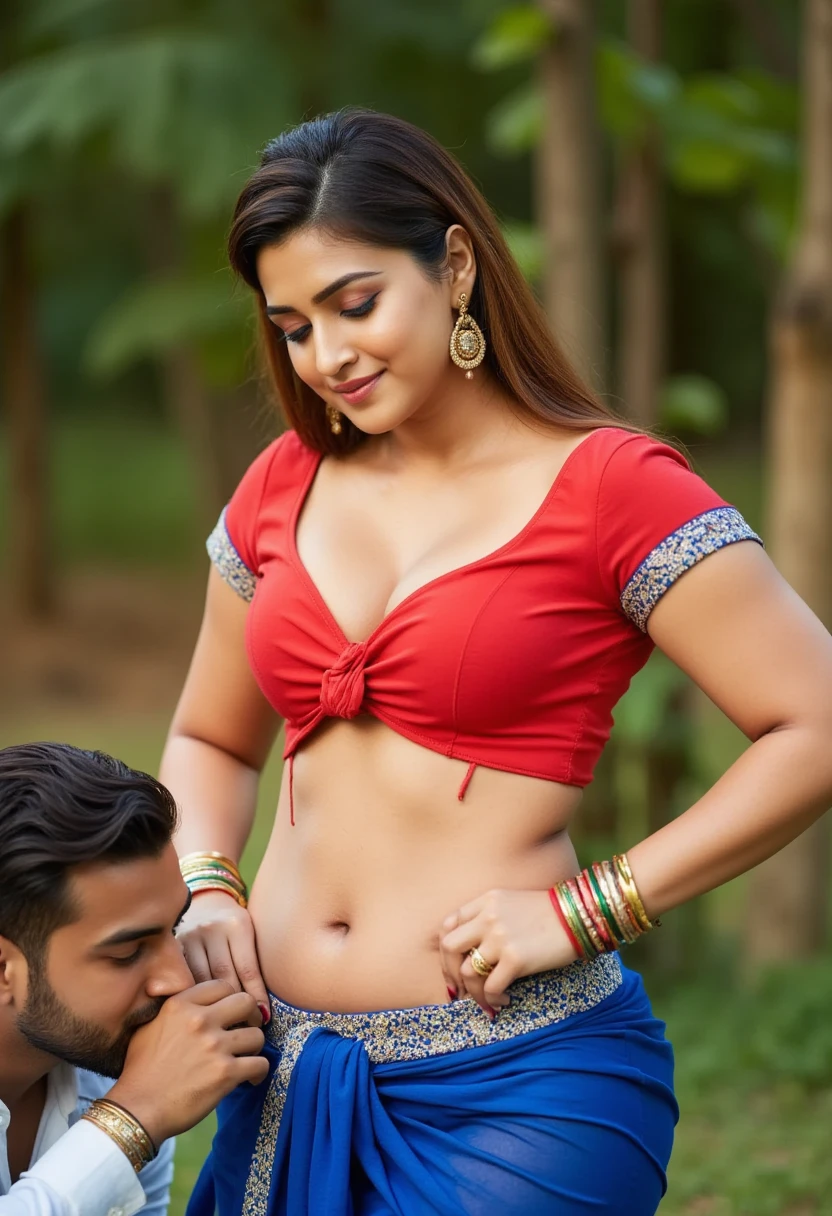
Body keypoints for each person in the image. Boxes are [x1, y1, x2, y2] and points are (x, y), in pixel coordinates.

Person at [164, 109, 832, 1216]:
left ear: (457, 263)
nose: (327, 355)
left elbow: (813, 718)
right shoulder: (282, 482)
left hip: (519, 1092)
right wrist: (202, 886)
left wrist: (589, 906)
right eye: (291, 326)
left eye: (356, 303)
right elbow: (207, 737)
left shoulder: (613, 486)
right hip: (284, 1078)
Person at [0, 742, 269, 1216]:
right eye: (126, 953)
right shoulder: (135, 1098)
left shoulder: (117, 1071)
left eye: (175, 928)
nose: (179, 978)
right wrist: (131, 1121)